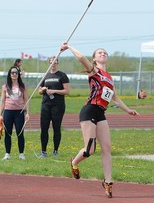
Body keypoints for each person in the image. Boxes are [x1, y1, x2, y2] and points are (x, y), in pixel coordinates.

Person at [60, 43, 140, 198]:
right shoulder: (94, 71)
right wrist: (69, 47)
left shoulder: (109, 77)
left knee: (107, 148)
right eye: (99, 53)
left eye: (105, 52)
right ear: (95, 58)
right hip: (89, 110)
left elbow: (115, 98)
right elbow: (82, 58)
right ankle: (74, 162)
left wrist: (129, 110)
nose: (103, 54)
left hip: (101, 113)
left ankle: (108, 182)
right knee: (89, 150)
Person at [38, 56, 70, 158]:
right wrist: (43, 89)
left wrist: (54, 91)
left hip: (58, 105)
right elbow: (39, 91)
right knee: (44, 128)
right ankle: (43, 151)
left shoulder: (62, 75)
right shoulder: (45, 76)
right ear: (49, 63)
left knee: (56, 128)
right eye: (51, 62)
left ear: (57, 63)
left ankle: (55, 151)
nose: (53, 64)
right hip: (46, 105)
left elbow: (67, 91)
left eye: (55, 62)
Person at [0, 66, 30, 160]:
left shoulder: (22, 86)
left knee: (20, 133)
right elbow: (2, 101)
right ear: (9, 74)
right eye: (12, 72)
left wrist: (27, 113)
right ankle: (7, 154)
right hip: (8, 112)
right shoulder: (5, 86)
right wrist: (0, 114)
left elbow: (26, 100)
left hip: (19, 112)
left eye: (16, 73)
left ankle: (21, 154)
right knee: (8, 133)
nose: (14, 74)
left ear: (18, 74)